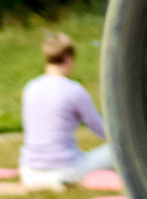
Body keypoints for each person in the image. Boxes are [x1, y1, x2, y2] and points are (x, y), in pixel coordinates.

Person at [18, 31, 115, 190]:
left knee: (79, 154)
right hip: (65, 169)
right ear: (68, 59)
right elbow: (101, 130)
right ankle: (65, 179)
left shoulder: (31, 87)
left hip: (29, 173)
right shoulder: (74, 90)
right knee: (117, 150)